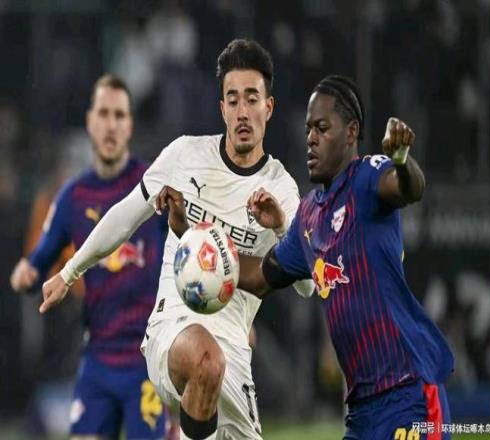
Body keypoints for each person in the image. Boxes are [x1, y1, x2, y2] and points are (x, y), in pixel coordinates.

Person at [39, 39, 313, 440]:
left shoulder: (282, 190)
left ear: (268, 108)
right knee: (206, 362)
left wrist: (282, 227)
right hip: (173, 330)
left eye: (251, 99)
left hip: (234, 349)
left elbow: (307, 287)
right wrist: (70, 272)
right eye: (232, 100)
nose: (242, 111)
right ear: (221, 108)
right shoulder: (185, 156)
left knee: (216, 367)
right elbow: (123, 216)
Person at [204, 75, 454, 439]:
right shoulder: (309, 216)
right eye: (309, 129)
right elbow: (260, 277)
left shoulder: (368, 177)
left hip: (408, 390)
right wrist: (206, 251)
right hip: (361, 410)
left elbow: (409, 187)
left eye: (322, 128)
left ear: (351, 133)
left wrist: (401, 160)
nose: (311, 138)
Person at [10, 74, 171, 440]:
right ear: (89, 122)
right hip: (97, 359)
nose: (111, 124)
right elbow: (39, 260)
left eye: (119, 115)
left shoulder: (154, 186)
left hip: (147, 358)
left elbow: (190, 251)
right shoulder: (72, 197)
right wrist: (26, 273)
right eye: (103, 114)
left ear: (130, 125)